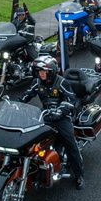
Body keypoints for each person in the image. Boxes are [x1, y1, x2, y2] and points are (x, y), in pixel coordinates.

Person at [20, 56, 85, 189]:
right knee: (28, 138)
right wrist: (14, 105)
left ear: (52, 71)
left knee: (70, 143)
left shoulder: (61, 82)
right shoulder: (37, 82)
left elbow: (71, 100)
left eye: (44, 71)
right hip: (44, 116)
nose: (41, 73)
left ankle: (79, 175)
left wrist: (61, 110)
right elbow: (25, 96)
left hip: (62, 118)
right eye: (39, 71)